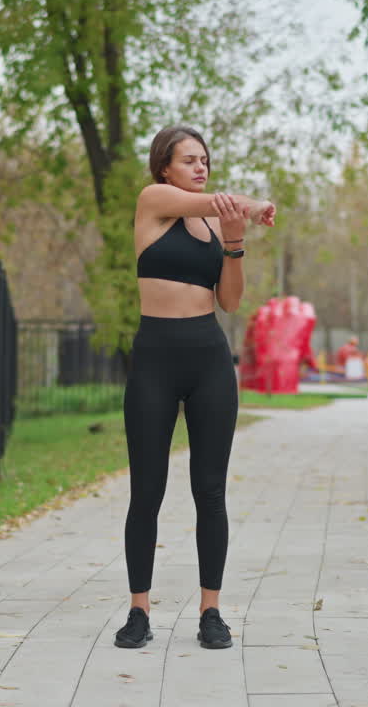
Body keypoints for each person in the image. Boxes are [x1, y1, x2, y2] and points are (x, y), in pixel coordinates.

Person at [114, 126, 275, 650]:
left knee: (210, 491)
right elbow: (214, 199)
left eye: (205, 159)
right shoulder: (153, 202)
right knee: (147, 492)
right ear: (165, 166)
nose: (201, 167)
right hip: (155, 358)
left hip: (208, 357)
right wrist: (250, 204)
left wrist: (235, 241)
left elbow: (229, 301)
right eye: (190, 160)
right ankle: (139, 612)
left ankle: (211, 612)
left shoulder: (213, 219)